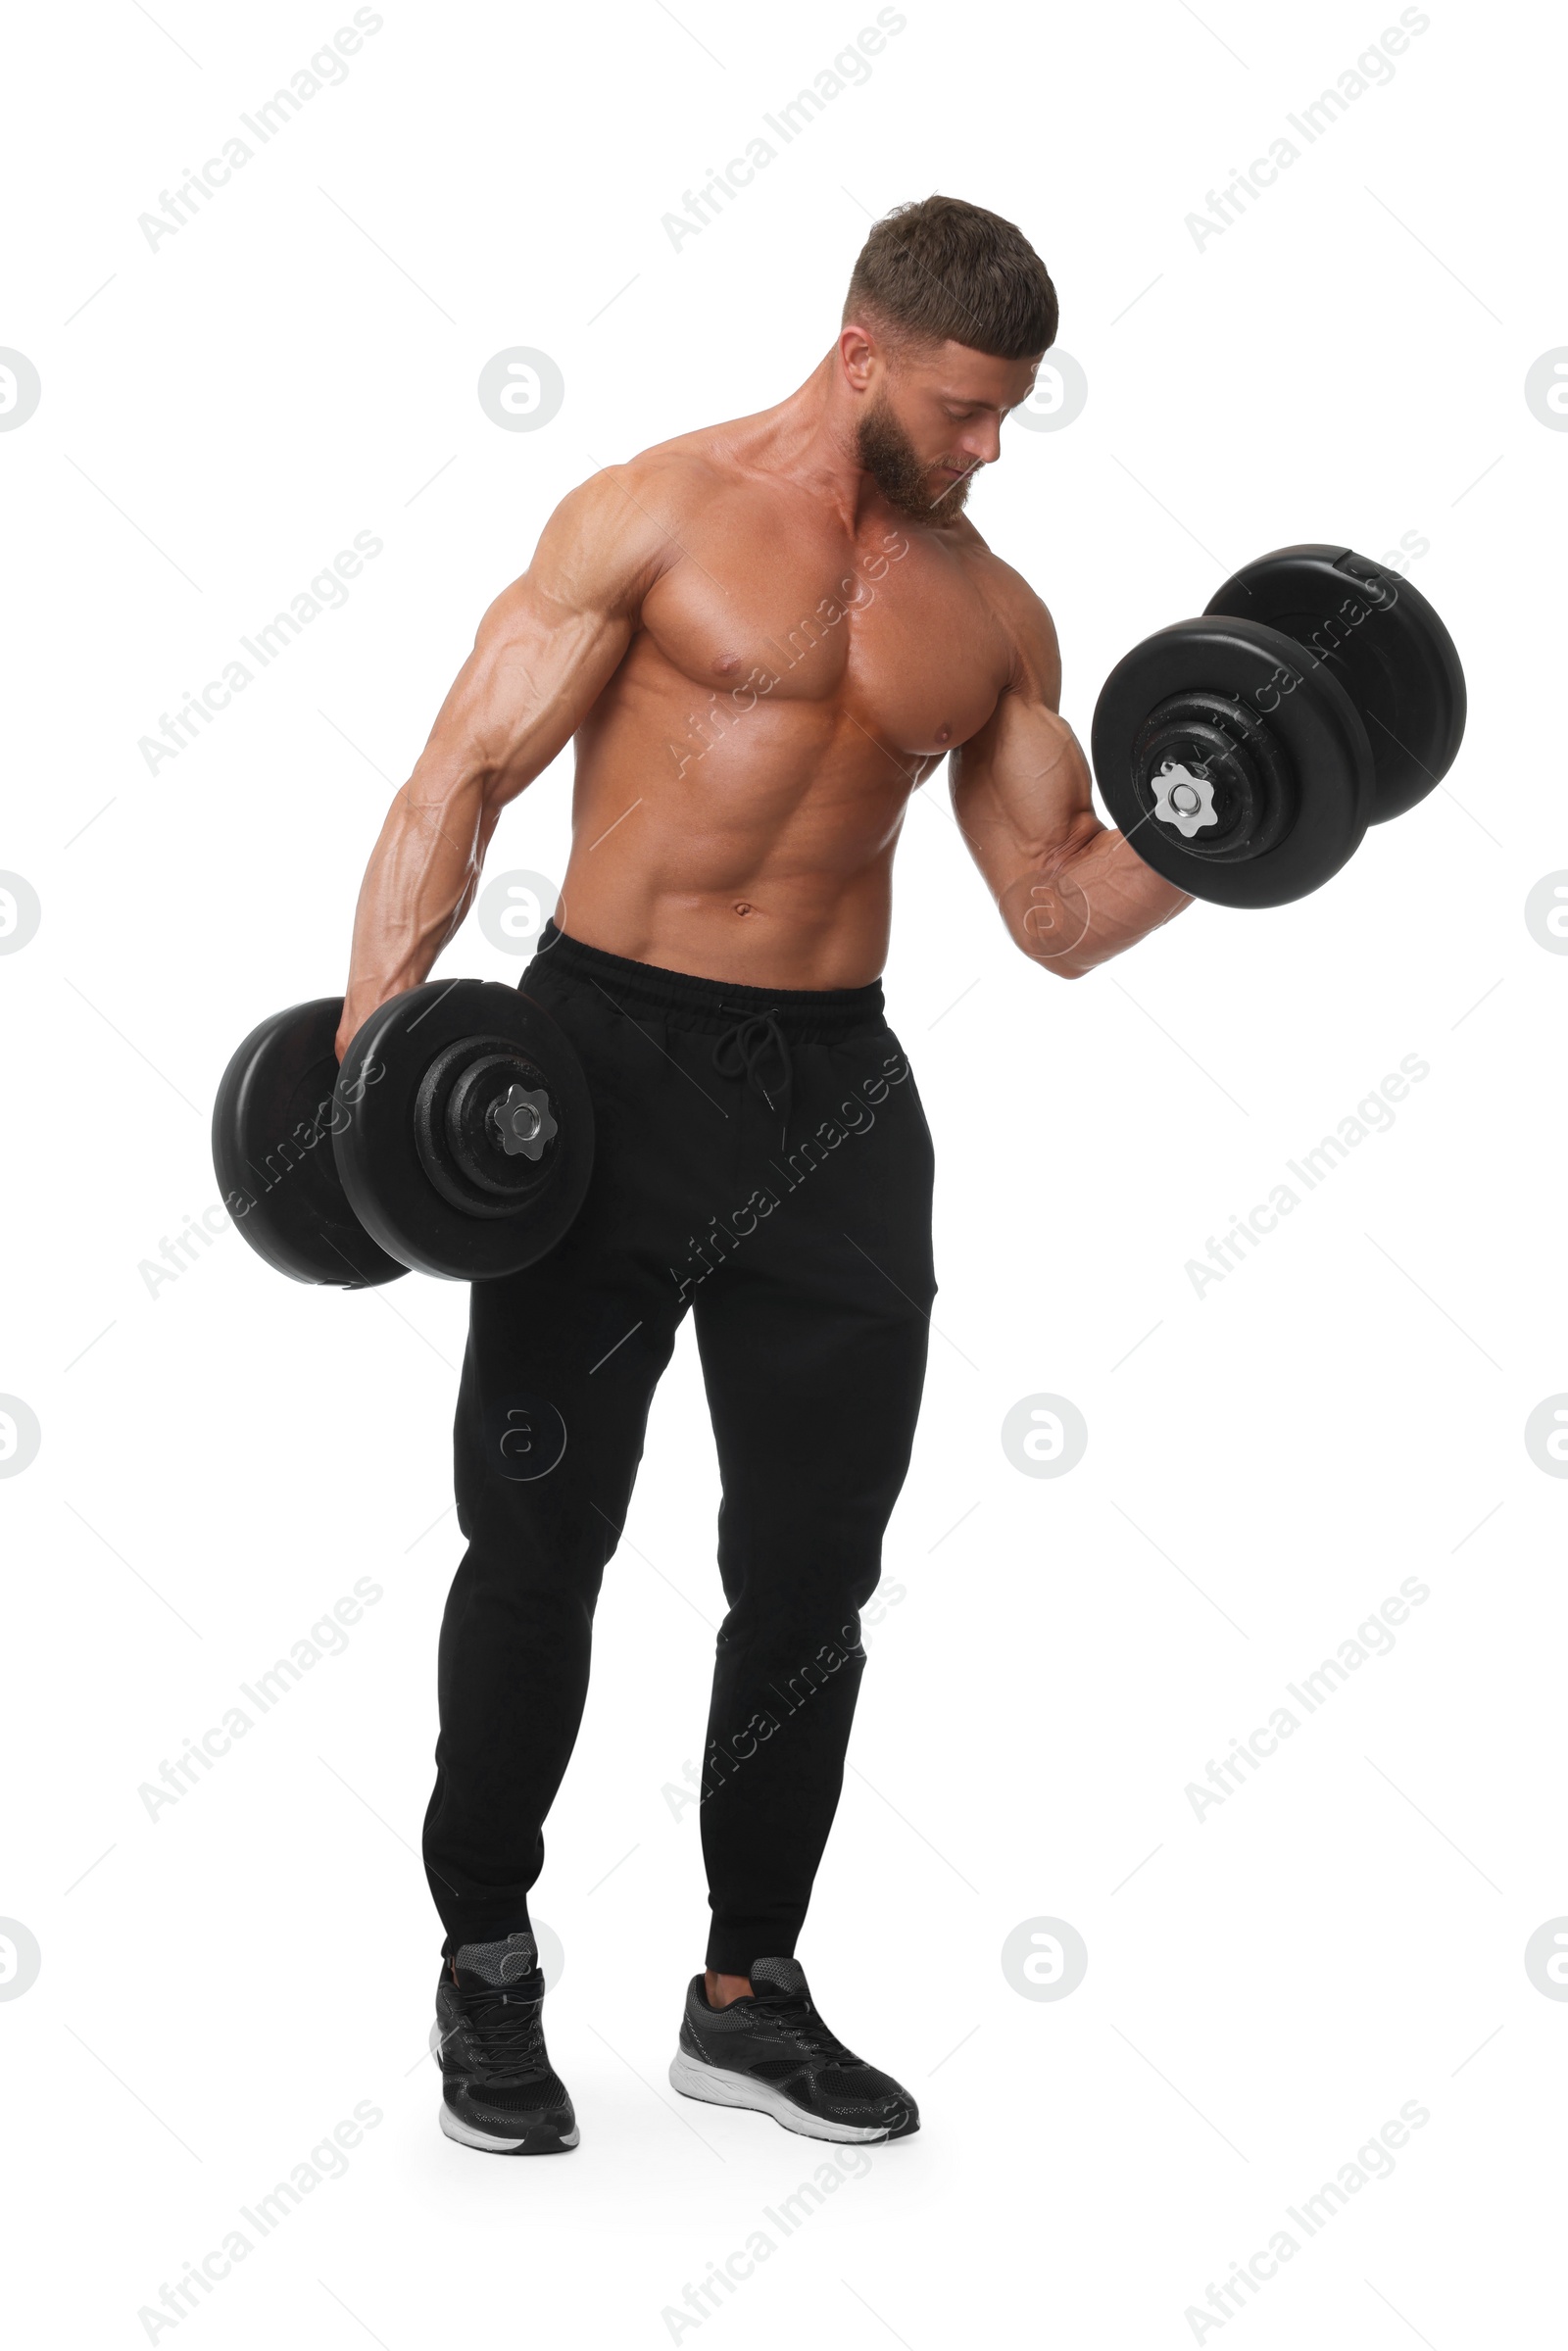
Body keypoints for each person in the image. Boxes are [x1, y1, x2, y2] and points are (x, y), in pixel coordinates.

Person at [337, 193, 1190, 2155]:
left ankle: (748, 1987)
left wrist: (1222, 826)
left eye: (1011, 419)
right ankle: (483, 1959)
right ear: (863, 352)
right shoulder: (655, 509)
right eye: (968, 409)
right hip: (593, 1072)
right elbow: (455, 776)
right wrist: (380, 1052)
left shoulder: (990, 614)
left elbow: (1055, 907)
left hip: (830, 1104)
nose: (989, 450)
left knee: (807, 1580)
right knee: (538, 1542)